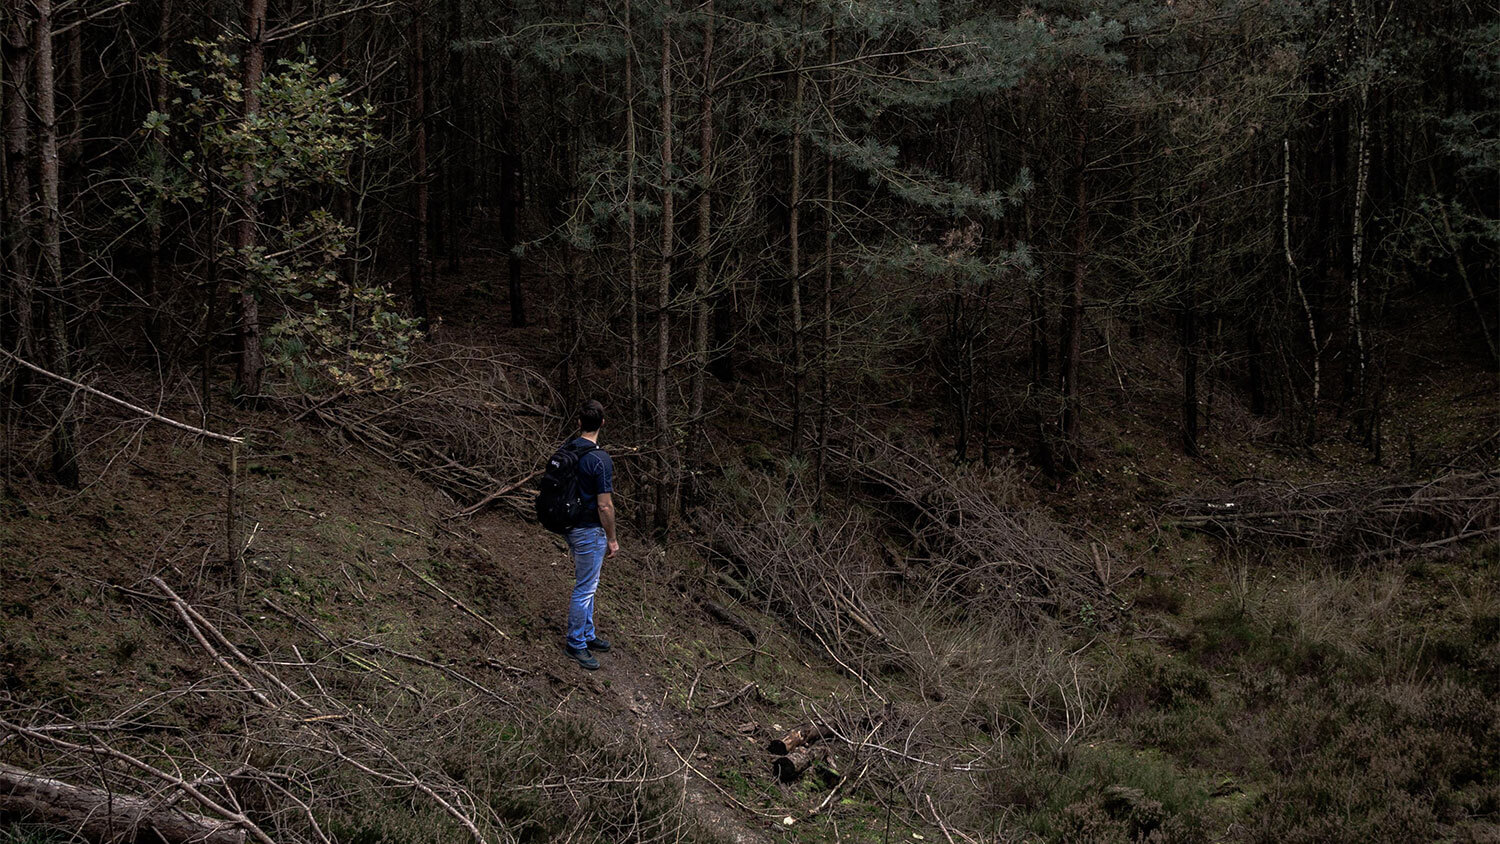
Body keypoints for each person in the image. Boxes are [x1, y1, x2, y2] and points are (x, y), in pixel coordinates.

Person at [562, 399, 618, 670]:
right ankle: (576, 643)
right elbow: (604, 505)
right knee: (585, 588)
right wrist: (612, 538)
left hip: (568, 524)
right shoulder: (600, 459)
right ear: (603, 424)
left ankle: (587, 633)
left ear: (579, 423)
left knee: (589, 583)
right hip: (588, 529)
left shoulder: (567, 449)